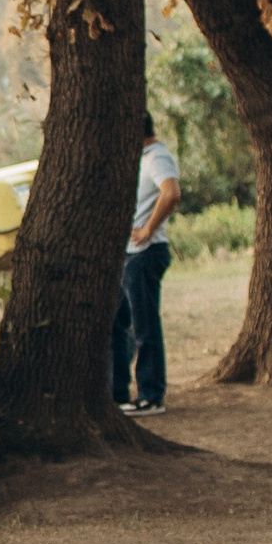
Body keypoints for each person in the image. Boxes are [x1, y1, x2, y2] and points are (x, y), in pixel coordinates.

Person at [111, 112, 181, 417]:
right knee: (117, 322)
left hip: (145, 253)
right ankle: (117, 393)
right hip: (126, 255)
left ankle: (152, 395)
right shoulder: (137, 158)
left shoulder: (156, 157)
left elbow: (171, 192)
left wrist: (148, 229)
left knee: (144, 325)